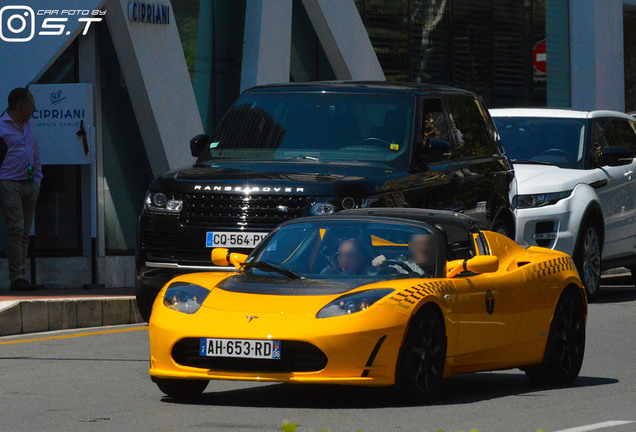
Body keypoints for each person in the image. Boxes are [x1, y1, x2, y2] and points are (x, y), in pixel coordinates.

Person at [0, 87, 43, 291]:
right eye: (31, 104)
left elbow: (35, 151)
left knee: (25, 231)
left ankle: (21, 277)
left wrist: (38, 179)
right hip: (9, 184)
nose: (34, 108)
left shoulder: (28, 125)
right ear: (20, 106)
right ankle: (16, 277)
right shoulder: (1, 126)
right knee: (16, 229)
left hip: (29, 183)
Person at [372, 233, 436, 276]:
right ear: (410, 246)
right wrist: (379, 267)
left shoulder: (444, 266)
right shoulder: (402, 267)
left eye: (428, 243)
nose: (423, 248)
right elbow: (388, 273)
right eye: (418, 244)